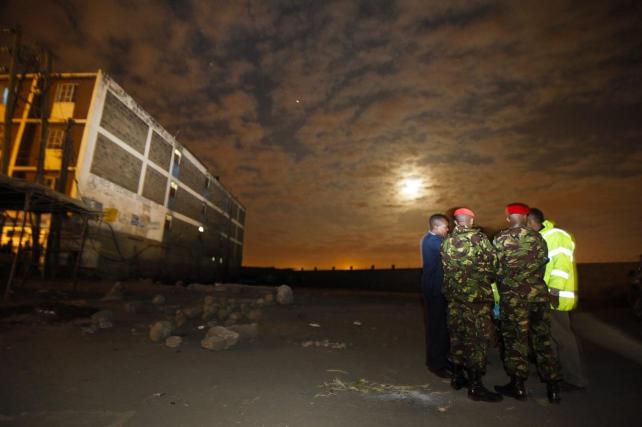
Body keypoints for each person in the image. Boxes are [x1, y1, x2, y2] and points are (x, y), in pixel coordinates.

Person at [493, 203, 562, 404]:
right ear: (525, 217)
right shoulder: (538, 238)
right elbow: (543, 265)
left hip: (514, 298)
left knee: (516, 341)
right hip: (538, 296)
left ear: (508, 218)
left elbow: (495, 269)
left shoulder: (500, 238)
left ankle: (518, 386)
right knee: (543, 340)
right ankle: (553, 387)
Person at [441, 208, 502, 402]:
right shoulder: (479, 239)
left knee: (457, 336)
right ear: (471, 220)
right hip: (476, 300)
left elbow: (446, 268)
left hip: (454, 298)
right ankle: (475, 387)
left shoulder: (447, 241)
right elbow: (494, 266)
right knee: (477, 340)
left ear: (456, 221)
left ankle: (457, 378)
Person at [527, 208, 588, 390]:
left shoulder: (556, 236)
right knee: (549, 337)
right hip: (543, 296)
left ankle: (575, 379)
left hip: (554, 297)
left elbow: (561, 265)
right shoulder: (541, 237)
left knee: (563, 338)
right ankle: (554, 373)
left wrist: (554, 291)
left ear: (530, 221)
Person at [420, 213, 450, 379]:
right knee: (436, 329)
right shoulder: (433, 241)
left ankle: (442, 360)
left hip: (437, 290)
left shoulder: (433, 239)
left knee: (442, 328)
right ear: (436, 226)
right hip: (434, 292)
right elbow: (453, 250)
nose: (448, 229)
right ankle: (436, 365)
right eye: (445, 227)